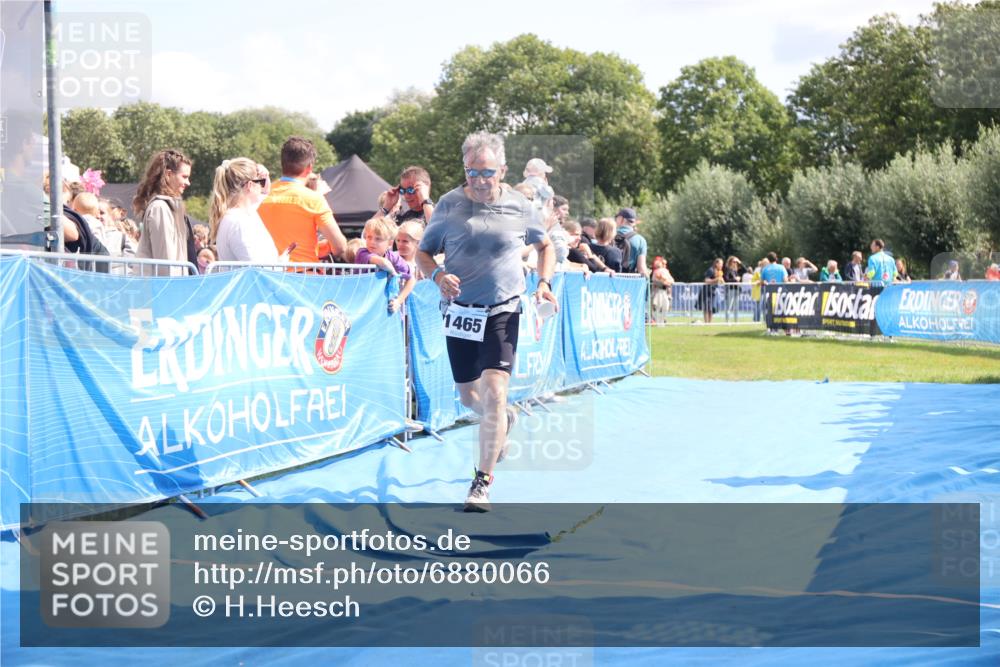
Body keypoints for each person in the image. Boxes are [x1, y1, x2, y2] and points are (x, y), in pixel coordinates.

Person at [415, 131, 556, 513]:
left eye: (486, 173)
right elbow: (423, 253)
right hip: (460, 312)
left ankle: (481, 482)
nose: (478, 180)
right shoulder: (448, 205)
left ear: (503, 170)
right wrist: (438, 276)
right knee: (469, 397)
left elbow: (546, 246)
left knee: (494, 391)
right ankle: (504, 419)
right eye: (471, 172)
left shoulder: (519, 206)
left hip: (503, 309)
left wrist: (543, 283)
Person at [259, 136, 347, 265]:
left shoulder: (261, 196)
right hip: (304, 278)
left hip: (268, 276)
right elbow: (340, 247)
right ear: (309, 168)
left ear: (282, 164)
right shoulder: (315, 199)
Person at [209, 158, 281, 264]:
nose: (262, 186)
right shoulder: (239, 222)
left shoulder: (240, 215)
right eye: (260, 182)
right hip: (255, 280)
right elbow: (255, 268)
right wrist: (280, 264)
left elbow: (265, 194)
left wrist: (265, 178)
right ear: (250, 186)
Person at [134, 148, 194, 276]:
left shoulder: (170, 207)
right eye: (184, 177)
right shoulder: (160, 208)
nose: (188, 183)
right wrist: (170, 290)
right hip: (162, 288)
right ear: (168, 174)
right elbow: (165, 259)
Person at [356, 216, 416, 313]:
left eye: (378, 239)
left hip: (382, 308)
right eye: (369, 237)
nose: (372, 242)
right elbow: (383, 263)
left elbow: (411, 279)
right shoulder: (362, 253)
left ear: (389, 243)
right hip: (362, 306)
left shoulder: (393, 257)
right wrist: (393, 272)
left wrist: (398, 301)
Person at [614, 207, 649, 276]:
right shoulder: (640, 240)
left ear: (621, 219)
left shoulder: (610, 235)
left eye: (616, 218)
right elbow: (641, 268)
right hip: (629, 281)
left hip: (609, 280)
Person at [650, 256, 674, 323]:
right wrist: (664, 282)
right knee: (656, 306)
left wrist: (667, 282)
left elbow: (672, 280)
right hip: (657, 292)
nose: (664, 265)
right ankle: (656, 320)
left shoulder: (666, 271)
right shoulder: (655, 272)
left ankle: (662, 320)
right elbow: (655, 281)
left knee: (665, 306)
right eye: (663, 263)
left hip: (665, 292)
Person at [700, 258, 725, 323]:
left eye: (722, 264)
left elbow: (722, 282)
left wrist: (721, 280)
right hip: (707, 291)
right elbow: (706, 280)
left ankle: (710, 323)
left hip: (713, 292)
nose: (722, 265)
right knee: (706, 308)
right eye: (720, 264)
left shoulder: (719, 272)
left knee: (711, 308)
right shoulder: (710, 270)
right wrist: (716, 280)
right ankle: (706, 322)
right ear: (716, 263)